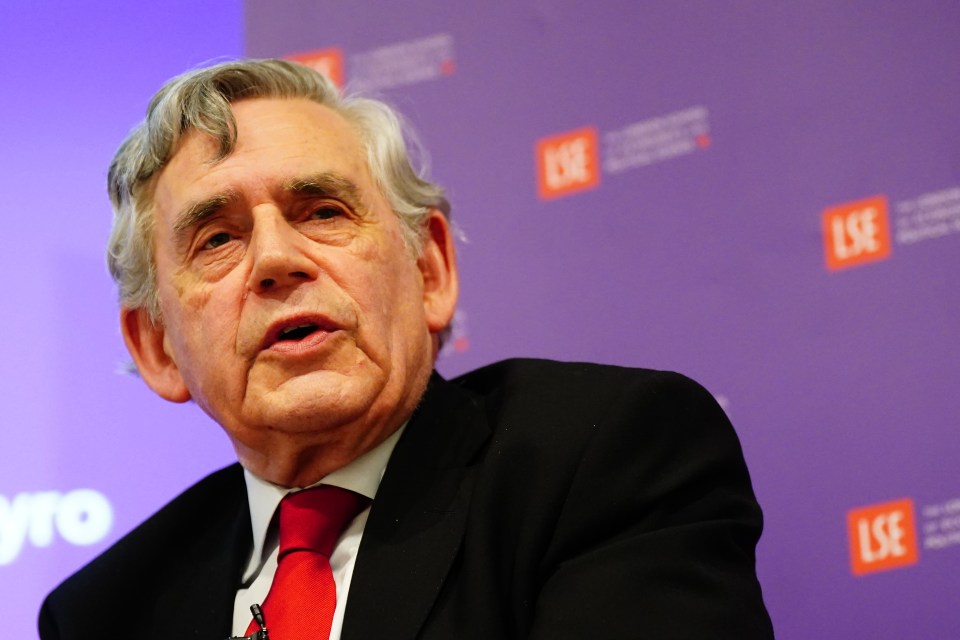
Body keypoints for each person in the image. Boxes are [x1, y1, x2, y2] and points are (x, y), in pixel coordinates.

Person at [39, 59, 774, 639]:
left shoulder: (604, 459)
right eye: (218, 239)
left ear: (430, 271)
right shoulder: (106, 612)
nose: (274, 259)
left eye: (323, 211)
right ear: (156, 347)